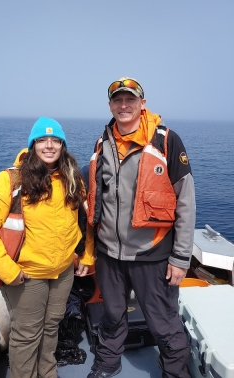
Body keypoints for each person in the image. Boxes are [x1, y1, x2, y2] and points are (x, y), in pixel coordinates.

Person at [86, 77, 196, 378]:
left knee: (164, 323)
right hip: (109, 254)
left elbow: (185, 203)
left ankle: (175, 373)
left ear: (142, 104)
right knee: (111, 316)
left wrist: (180, 258)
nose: (124, 105)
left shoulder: (166, 141)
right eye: (117, 100)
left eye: (130, 100)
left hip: (153, 255)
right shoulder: (102, 142)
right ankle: (106, 366)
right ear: (110, 105)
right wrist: (89, 252)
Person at [0, 117, 94, 378]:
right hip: (26, 275)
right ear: (32, 144)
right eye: (42, 140)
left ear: (62, 145)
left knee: (51, 328)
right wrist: (9, 271)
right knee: (27, 335)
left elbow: (86, 221)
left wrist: (87, 255)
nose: (49, 146)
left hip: (62, 272)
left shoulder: (72, 178)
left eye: (55, 140)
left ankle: (47, 374)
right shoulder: (12, 180)